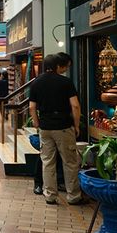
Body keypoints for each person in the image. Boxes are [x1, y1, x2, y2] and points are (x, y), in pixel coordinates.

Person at [29, 53, 85, 205]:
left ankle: (50, 195)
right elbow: (75, 105)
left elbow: (32, 107)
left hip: (45, 126)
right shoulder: (65, 82)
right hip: (63, 126)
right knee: (70, 162)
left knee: (47, 162)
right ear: (57, 66)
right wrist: (76, 124)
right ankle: (73, 196)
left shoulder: (36, 83)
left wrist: (36, 123)